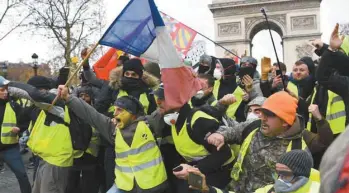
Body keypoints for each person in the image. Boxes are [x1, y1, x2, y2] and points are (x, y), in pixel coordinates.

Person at [58, 85, 168, 193]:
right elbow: (91, 115)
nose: (114, 114)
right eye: (115, 109)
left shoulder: (150, 123)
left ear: (132, 114)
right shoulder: (112, 129)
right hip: (124, 186)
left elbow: (167, 105)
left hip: (152, 186)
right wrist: (68, 97)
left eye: (119, 110)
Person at [207, 91, 312, 192]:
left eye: (269, 114)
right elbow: (232, 131)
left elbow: (293, 187)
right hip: (235, 189)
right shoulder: (253, 125)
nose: (262, 118)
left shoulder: (298, 151)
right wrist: (221, 135)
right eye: (263, 112)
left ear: (285, 121)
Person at [154, 85, 236, 189]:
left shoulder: (198, 121)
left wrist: (193, 170)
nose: (158, 102)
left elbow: (224, 153)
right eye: (158, 98)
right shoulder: (174, 119)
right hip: (198, 169)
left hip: (218, 173)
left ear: (179, 100)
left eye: (163, 98)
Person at [187, 150, 319, 193]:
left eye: (285, 174)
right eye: (278, 173)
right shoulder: (269, 190)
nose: (279, 179)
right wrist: (207, 188)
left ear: (301, 175)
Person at [66, 86, 101, 193]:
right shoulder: (73, 111)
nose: (83, 98)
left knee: (89, 183)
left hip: (91, 152)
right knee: (72, 182)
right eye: (81, 95)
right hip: (76, 152)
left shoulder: (95, 112)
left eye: (86, 96)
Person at [0, 76, 31, 193]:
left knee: (22, 175)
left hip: (10, 149)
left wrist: (20, 128)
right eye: (2, 90)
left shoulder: (13, 105)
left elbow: (26, 120)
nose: (5, 92)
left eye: (6, 89)